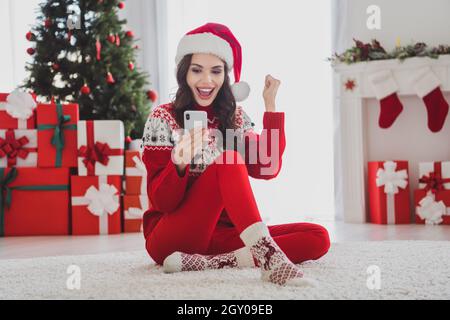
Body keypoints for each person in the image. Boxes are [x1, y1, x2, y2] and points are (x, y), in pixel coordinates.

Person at [141, 22, 330, 286]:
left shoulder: (236, 117)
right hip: (173, 237)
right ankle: (269, 260)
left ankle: (212, 262)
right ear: (184, 74)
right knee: (229, 160)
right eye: (197, 70)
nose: (206, 81)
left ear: (227, 77)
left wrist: (271, 107)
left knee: (317, 237)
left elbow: (267, 167)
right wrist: (179, 164)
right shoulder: (162, 117)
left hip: (224, 236)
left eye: (216, 71)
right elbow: (162, 203)